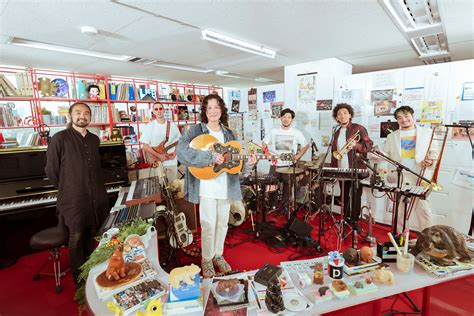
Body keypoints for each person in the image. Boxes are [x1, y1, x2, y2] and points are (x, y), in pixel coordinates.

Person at [177, 94, 256, 278]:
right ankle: (206, 258)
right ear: (205, 111)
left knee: (222, 224)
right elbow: (181, 153)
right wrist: (210, 157)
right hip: (205, 187)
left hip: (225, 186)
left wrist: (249, 163)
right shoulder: (196, 130)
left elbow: (236, 165)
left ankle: (218, 255)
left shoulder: (229, 133)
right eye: (209, 107)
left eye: (216, 107)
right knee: (208, 224)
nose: (213, 111)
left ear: (222, 110)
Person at [45, 102, 109, 286]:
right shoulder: (59, 138)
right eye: (78, 112)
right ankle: (80, 284)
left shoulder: (94, 139)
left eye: (86, 113)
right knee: (76, 239)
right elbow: (51, 170)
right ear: (70, 116)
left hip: (96, 198)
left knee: (92, 236)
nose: (83, 116)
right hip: (74, 200)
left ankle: (92, 275)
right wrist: (69, 187)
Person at [382, 106, 437, 233]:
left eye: (406, 116)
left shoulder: (427, 133)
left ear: (412, 116)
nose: (404, 120)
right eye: (400, 118)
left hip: (419, 175)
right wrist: (378, 154)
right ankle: (400, 237)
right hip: (400, 176)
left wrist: (430, 162)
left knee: (423, 210)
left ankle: (428, 238)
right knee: (400, 210)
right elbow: (386, 154)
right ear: (397, 121)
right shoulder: (392, 136)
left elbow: (434, 153)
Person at [331, 103, 373, 223]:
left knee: (355, 196)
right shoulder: (337, 131)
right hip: (341, 168)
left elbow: (368, 145)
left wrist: (356, 145)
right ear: (337, 118)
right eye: (339, 114)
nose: (342, 115)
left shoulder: (358, 128)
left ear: (350, 115)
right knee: (343, 196)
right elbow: (335, 151)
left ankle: (354, 221)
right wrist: (333, 169)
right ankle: (345, 218)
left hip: (356, 168)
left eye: (345, 113)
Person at [262, 108, 309, 213]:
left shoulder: (296, 133)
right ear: (281, 118)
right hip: (275, 164)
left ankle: (285, 207)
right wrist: (267, 154)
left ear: (292, 119)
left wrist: (297, 156)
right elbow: (264, 144)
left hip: (288, 166)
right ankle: (272, 206)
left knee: (287, 188)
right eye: (284, 117)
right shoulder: (274, 131)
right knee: (272, 186)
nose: (286, 119)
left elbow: (306, 145)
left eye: (288, 117)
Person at [140, 102, 181, 181]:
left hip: (171, 161)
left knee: (173, 186)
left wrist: (175, 153)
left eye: (160, 108)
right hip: (156, 162)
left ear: (164, 110)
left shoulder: (172, 125)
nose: (159, 111)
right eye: (156, 109)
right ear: (153, 111)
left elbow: (179, 141)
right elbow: (145, 146)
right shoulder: (149, 126)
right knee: (159, 187)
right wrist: (159, 156)